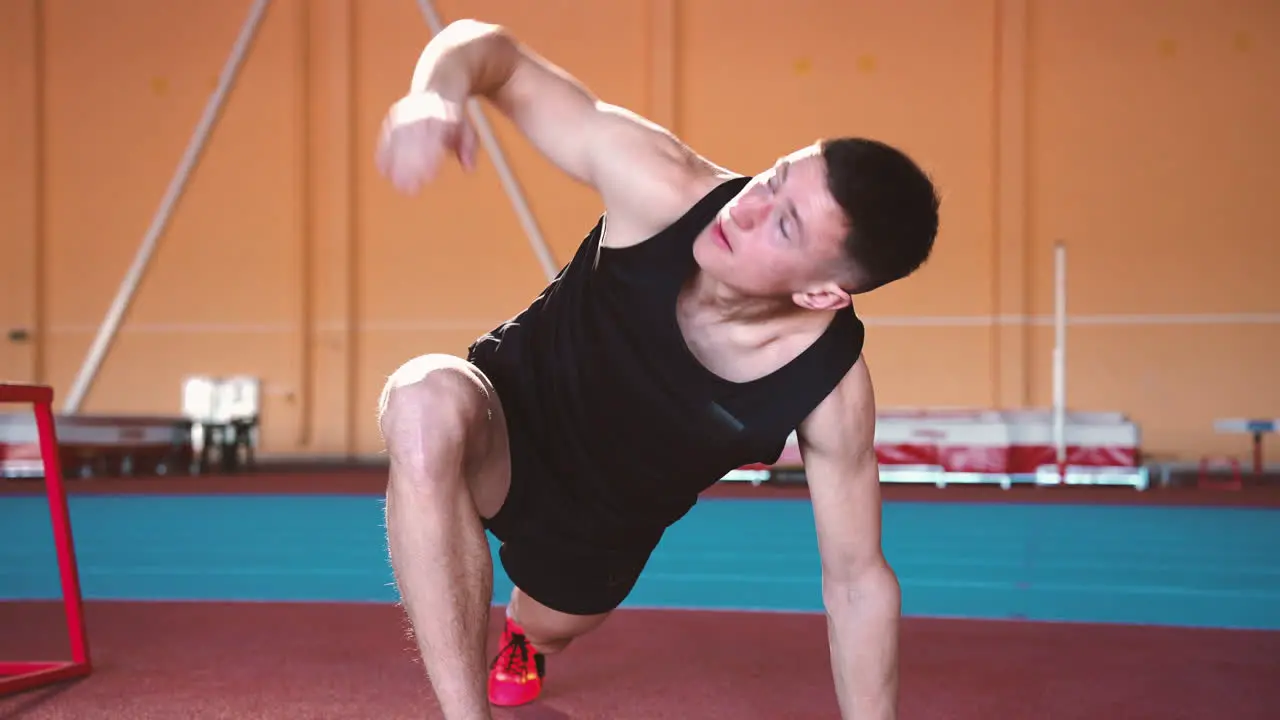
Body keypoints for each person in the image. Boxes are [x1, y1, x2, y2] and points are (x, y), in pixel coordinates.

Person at [374, 18, 939, 720]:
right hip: (504, 424)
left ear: (821, 293)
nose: (749, 208)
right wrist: (437, 92)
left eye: (785, 225)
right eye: (774, 178)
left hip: (596, 533)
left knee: (547, 624)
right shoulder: (661, 184)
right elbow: (501, 59)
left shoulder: (828, 385)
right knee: (422, 407)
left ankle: (526, 638)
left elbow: (857, 581)